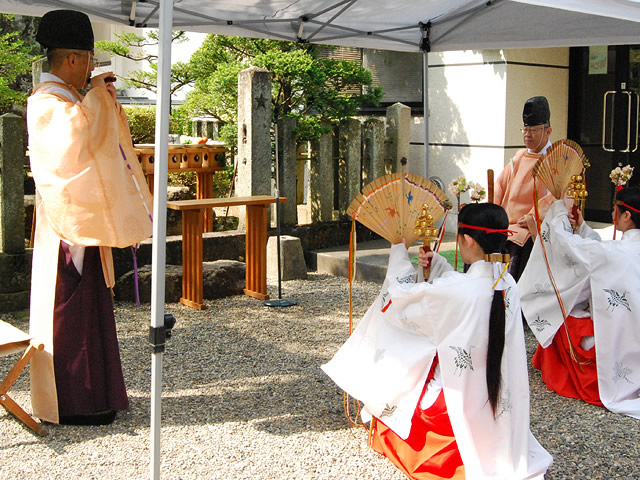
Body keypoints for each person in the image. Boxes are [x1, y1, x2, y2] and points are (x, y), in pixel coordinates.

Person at [322, 203, 552, 479]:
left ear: (467, 240)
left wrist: (398, 252)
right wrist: (439, 266)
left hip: (455, 398)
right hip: (498, 394)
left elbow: (401, 301)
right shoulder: (507, 284)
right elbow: (459, 291)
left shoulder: (459, 290)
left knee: (398, 379)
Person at [27, 9, 154, 425]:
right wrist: (99, 98)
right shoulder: (47, 102)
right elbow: (75, 144)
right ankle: (72, 403)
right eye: (87, 59)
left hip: (80, 218)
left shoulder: (66, 99)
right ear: (71, 59)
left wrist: (99, 99)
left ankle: (96, 395)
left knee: (88, 310)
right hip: (67, 222)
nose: (89, 68)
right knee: (69, 313)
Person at [519, 188, 640, 418]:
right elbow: (596, 251)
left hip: (617, 342)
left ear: (626, 216)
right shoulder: (614, 251)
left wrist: (559, 210)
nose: (613, 213)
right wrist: (583, 226)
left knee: (560, 313)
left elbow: (567, 246)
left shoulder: (614, 252)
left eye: (616, 209)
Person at [494, 96, 555, 281]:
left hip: (529, 226)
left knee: (519, 243)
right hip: (507, 223)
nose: (527, 135)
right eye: (525, 129)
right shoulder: (519, 157)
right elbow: (500, 186)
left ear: (548, 131)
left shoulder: (556, 159)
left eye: (533, 130)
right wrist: (493, 213)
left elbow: (556, 197)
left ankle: (510, 298)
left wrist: (531, 217)